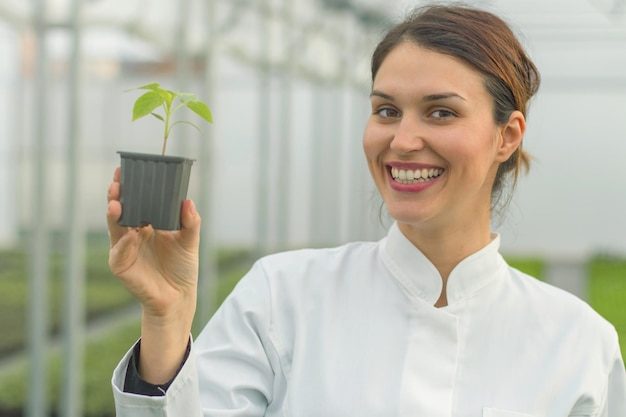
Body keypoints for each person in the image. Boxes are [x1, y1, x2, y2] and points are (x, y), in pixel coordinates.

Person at [108, 4, 626, 417]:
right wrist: (167, 319)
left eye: (440, 112)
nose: (402, 140)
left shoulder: (577, 342)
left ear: (507, 136)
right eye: (386, 111)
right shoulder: (282, 297)